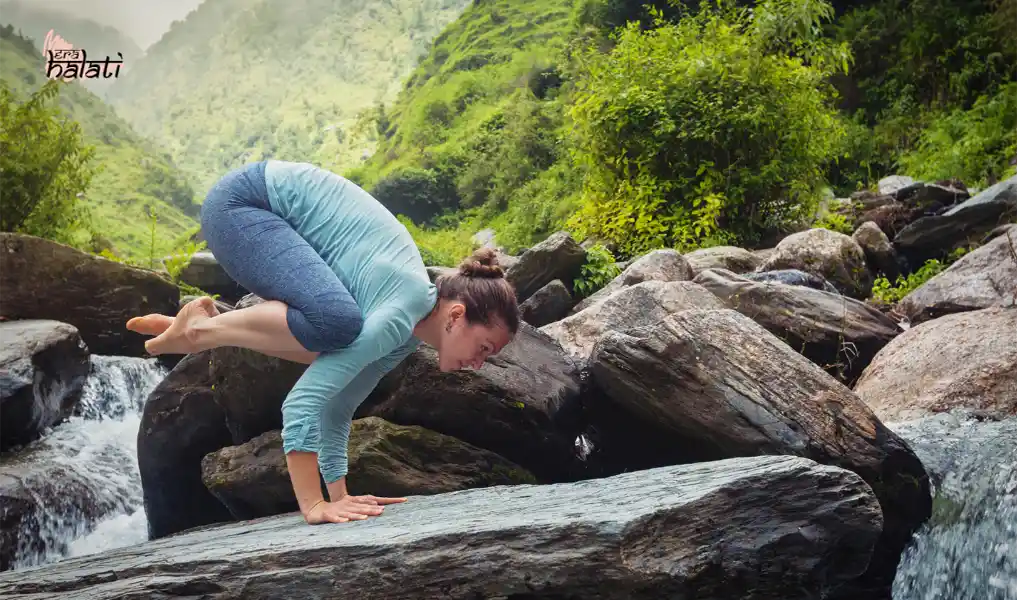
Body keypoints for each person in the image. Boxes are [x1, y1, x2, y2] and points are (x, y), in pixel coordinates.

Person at [126, 159, 519, 526]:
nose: (480, 363)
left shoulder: (403, 336)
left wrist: (340, 495)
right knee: (336, 326)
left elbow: (339, 404)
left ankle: (204, 328)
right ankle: (202, 332)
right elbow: (302, 401)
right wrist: (313, 505)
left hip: (256, 215)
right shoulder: (401, 310)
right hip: (244, 204)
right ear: (456, 316)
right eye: (484, 347)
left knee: (332, 343)